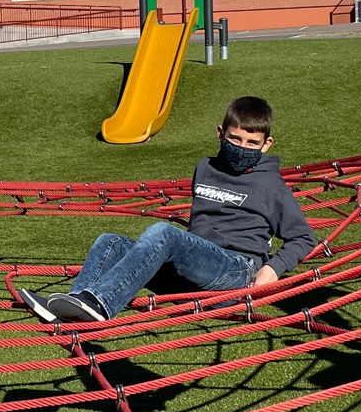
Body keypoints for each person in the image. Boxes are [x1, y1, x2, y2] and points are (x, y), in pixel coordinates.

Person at [24, 95, 317, 325]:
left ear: (266, 144)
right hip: (198, 269)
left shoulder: (270, 184)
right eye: (235, 139)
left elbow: (303, 237)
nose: (242, 147)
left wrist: (272, 269)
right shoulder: (205, 168)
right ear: (219, 134)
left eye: (252, 143)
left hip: (237, 270)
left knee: (164, 234)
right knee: (110, 241)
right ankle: (74, 305)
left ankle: (101, 303)